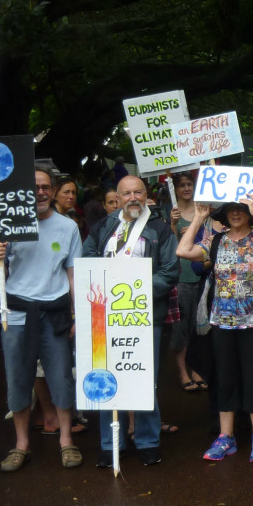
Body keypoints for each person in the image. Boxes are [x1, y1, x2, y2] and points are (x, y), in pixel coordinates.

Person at [0, 163, 84, 472]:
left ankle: (66, 440)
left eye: (45, 187)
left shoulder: (67, 227)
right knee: (18, 379)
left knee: (60, 377)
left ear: (54, 191)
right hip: (16, 315)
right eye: (33, 187)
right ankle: (21, 444)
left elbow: (73, 274)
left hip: (54, 314)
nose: (40, 192)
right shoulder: (8, 225)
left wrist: (77, 314)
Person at [83, 175, 179, 468]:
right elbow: (86, 258)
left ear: (146, 194)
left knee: (142, 379)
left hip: (144, 315)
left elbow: (170, 271)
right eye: (127, 194)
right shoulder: (104, 227)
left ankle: (148, 442)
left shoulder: (159, 229)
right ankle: (110, 443)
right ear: (119, 197)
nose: (133, 198)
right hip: (105, 317)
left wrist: (135, 289)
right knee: (106, 377)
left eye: (138, 192)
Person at [177, 197, 253, 462]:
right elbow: (183, 250)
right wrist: (200, 217)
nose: (236, 214)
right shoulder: (216, 241)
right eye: (230, 210)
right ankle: (226, 437)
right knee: (225, 378)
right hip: (222, 322)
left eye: (241, 209)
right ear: (223, 215)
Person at [168, 173, 206, 392]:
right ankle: (182, 371)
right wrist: (173, 225)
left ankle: (196, 368)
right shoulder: (171, 212)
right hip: (180, 277)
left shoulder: (202, 210)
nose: (185, 188)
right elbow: (169, 247)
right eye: (181, 185)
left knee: (198, 327)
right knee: (180, 328)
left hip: (201, 275)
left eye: (189, 184)